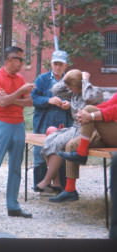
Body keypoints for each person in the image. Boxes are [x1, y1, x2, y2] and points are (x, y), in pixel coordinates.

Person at [0, 46, 35, 220]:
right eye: (20, 60)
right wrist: (18, 94)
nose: (22, 64)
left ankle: (13, 206)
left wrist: (11, 98)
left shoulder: (20, 78)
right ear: (10, 60)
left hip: (18, 125)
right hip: (0, 124)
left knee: (16, 168)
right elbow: (2, 103)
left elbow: (30, 102)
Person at [34, 70, 103, 195]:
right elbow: (55, 90)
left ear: (79, 85)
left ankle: (45, 181)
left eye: (71, 86)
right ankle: (56, 183)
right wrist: (66, 79)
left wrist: (85, 80)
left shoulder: (94, 91)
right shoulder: (74, 92)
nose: (69, 89)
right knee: (48, 141)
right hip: (75, 128)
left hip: (88, 131)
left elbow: (88, 98)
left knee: (58, 143)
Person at [54, 91, 117, 202]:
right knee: (72, 145)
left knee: (89, 110)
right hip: (109, 134)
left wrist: (90, 114)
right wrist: (83, 113)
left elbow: (113, 111)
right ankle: (70, 190)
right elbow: (107, 105)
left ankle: (81, 153)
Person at [31, 50, 72, 192]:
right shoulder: (42, 79)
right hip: (44, 119)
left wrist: (68, 105)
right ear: (51, 64)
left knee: (61, 149)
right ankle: (40, 184)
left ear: (65, 65)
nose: (57, 67)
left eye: (60, 64)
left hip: (63, 119)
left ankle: (59, 185)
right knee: (41, 150)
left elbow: (78, 100)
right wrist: (49, 100)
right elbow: (33, 98)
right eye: (55, 64)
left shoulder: (70, 81)